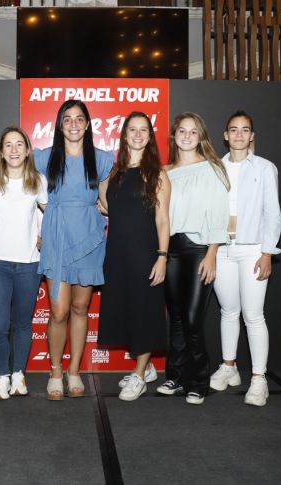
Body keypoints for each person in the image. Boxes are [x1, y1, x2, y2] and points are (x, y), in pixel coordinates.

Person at [35, 99, 114, 400]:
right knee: (58, 311)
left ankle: (74, 371)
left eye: (79, 119)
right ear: (59, 124)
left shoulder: (103, 159)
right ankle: (55, 372)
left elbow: (107, 200)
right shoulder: (43, 158)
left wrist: (112, 211)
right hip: (56, 238)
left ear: (88, 124)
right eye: (67, 119)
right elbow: (21, 188)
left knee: (81, 308)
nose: (73, 124)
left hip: (89, 237)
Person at [209, 110, 281, 407]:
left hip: (253, 248)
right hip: (222, 249)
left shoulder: (265, 168)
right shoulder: (215, 167)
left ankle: (259, 379)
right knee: (228, 311)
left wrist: (267, 252)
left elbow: (272, 213)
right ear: (225, 135)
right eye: (233, 130)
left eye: (245, 130)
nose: (239, 134)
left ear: (252, 135)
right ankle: (229, 367)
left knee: (253, 315)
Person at [97, 112, 170, 401]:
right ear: (124, 134)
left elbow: (163, 220)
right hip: (117, 254)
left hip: (145, 253)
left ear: (150, 136)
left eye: (144, 130)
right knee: (127, 311)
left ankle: (139, 374)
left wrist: (162, 256)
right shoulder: (115, 173)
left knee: (144, 312)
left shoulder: (157, 174)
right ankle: (147, 366)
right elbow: (107, 205)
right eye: (132, 129)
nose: (138, 134)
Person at [158, 112, 230, 405]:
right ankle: (175, 377)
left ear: (200, 137)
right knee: (175, 317)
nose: (186, 136)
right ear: (174, 135)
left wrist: (212, 253)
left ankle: (199, 381)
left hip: (200, 248)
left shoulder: (212, 169)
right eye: (182, 131)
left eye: (193, 132)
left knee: (192, 318)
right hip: (171, 249)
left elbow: (219, 214)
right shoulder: (165, 170)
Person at [0, 128, 47, 400]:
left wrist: (44, 234)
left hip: (29, 265)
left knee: (22, 324)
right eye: (8, 145)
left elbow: (50, 212)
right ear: (1, 151)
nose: (13, 150)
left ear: (28, 149)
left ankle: (18, 373)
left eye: (19, 144)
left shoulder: (38, 181)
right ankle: (1, 376)